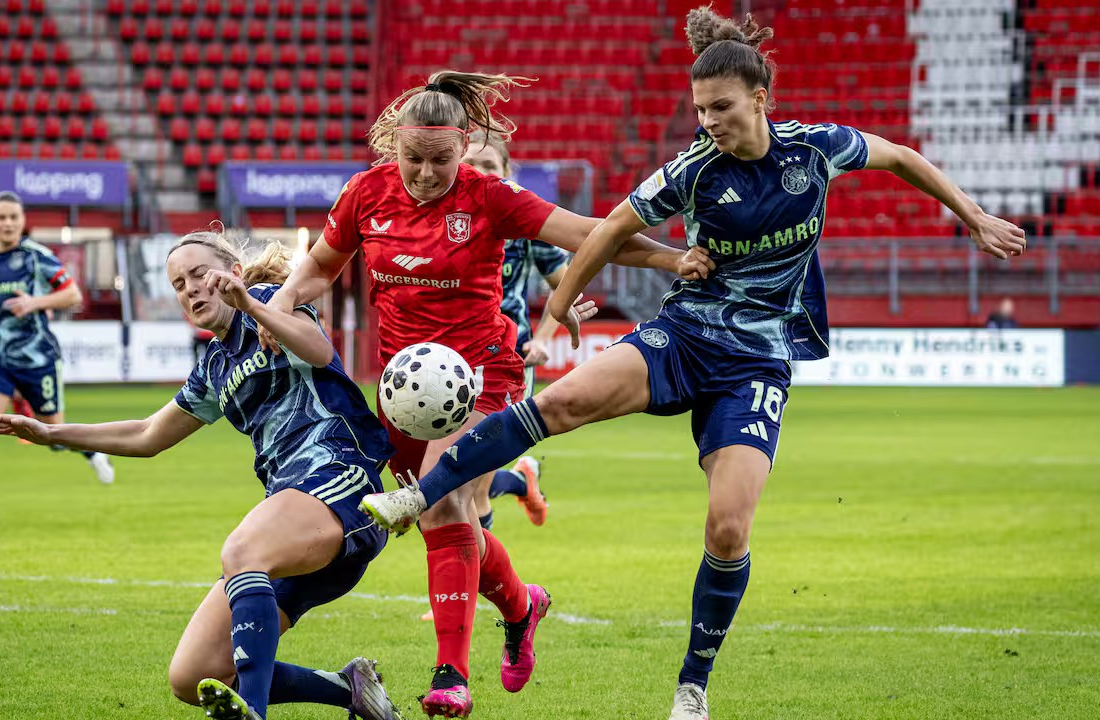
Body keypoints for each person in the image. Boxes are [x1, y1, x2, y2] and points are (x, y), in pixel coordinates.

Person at [358, 9, 1027, 720]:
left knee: (728, 529)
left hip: (756, 365)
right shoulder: (693, 169)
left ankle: (692, 687)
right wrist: (554, 314)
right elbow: (610, 230)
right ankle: (415, 500)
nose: (708, 123)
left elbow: (899, 156)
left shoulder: (816, 150)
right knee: (557, 404)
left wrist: (974, 216)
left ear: (760, 98)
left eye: (721, 108)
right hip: (683, 337)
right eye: (700, 110)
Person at [269, 70, 714, 717]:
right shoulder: (366, 193)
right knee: (448, 522)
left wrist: (673, 259)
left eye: (440, 160)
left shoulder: (489, 196)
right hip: (402, 389)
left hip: (481, 375)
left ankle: (450, 675)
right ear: (395, 144)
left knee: (442, 503)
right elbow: (318, 266)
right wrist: (283, 301)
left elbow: (587, 233)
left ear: (463, 145)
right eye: (414, 158)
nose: (426, 173)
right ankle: (520, 604)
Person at [0, 231, 402, 720]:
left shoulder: (271, 300)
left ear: (233, 274)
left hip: (341, 481)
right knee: (194, 675)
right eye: (179, 284)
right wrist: (52, 433)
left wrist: (254, 306)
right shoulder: (214, 367)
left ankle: (254, 712)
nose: (191, 289)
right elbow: (147, 434)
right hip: (294, 520)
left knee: (241, 551)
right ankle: (348, 688)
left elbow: (320, 352)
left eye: (200, 274)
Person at [0, 191, 115, 535]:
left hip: (36, 359)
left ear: (22, 221)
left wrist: (34, 302)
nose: (7, 224)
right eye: (1, 217)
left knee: (52, 435)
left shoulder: (37, 257)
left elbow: (73, 295)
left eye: (13, 218)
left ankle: (93, 452)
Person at [464, 130, 564, 531]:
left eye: (489, 165)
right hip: (450, 360)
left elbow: (566, 286)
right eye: (470, 163)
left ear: (507, 173)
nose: (479, 171)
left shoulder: (523, 221)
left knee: (471, 484)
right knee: (454, 476)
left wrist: (542, 340)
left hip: (507, 358)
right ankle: (523, 481)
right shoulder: (437, 221)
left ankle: (474, 571)